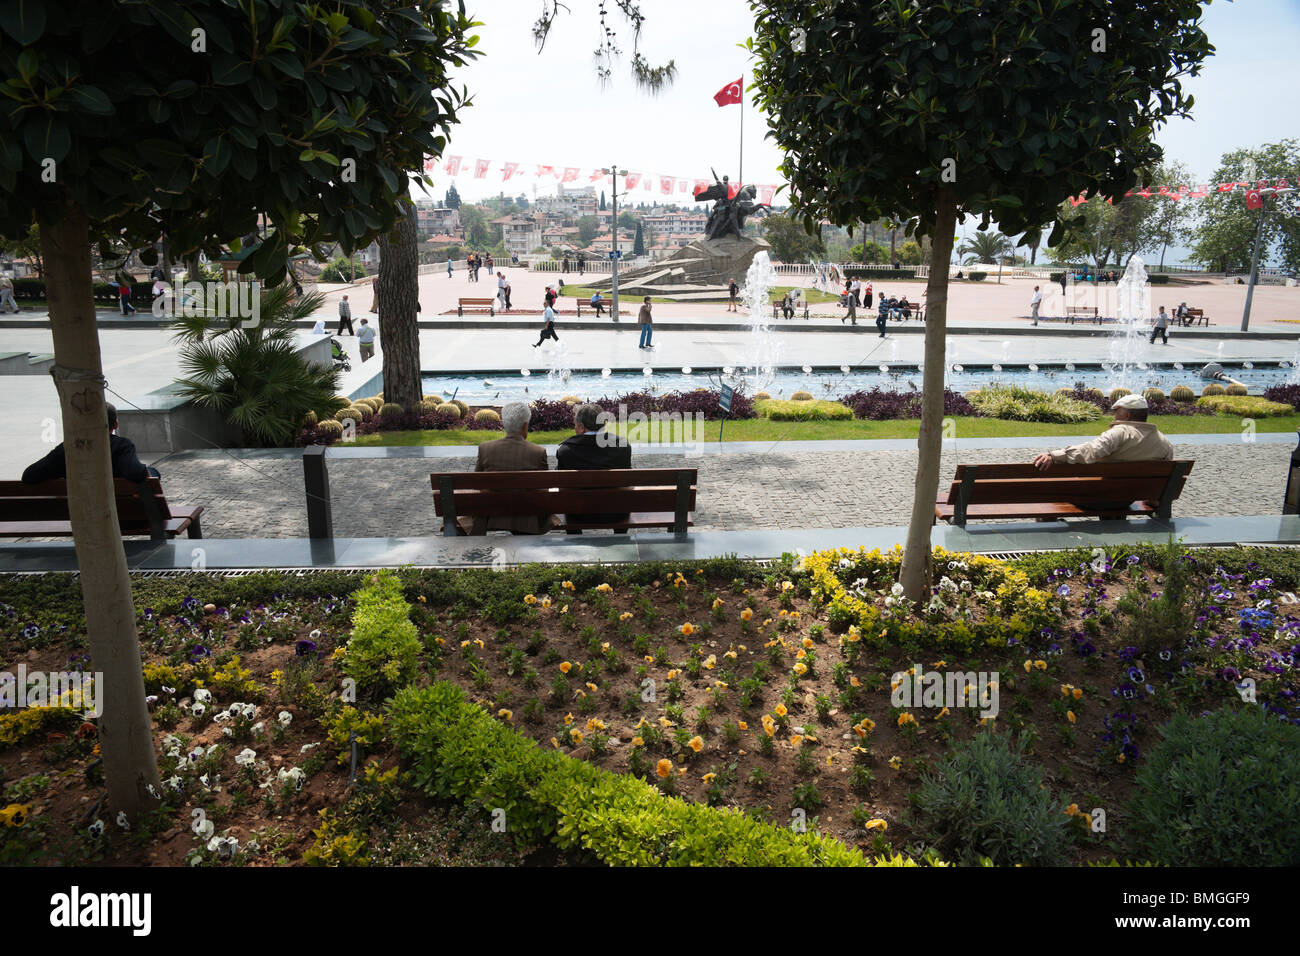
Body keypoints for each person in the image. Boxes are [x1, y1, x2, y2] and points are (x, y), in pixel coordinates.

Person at [23, 403, 158, 484]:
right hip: (124, 517)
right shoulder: (121, 446)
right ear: (115, 424)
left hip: (75, 515)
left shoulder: (68, 447)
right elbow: (135, 473)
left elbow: (29, 476)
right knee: (153, 472)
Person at [1033, 394, 1172, 471]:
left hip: (1101, 496)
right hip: (1130, 497)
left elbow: (1091, 450)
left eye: (1117, 411)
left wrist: (1055, 455)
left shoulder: (1120, 433)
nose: (1115, 415)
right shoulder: (1164, 442)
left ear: (1127, 415)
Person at [473, 402, 553, 535]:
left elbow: (477, 484)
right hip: (528, 519)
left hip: (492, 516)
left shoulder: (485, 449)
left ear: (504, 424)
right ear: (525, 426)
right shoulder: (538, 452)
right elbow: (543, 491)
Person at [555, 402, 633, 532]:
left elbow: (562, 487)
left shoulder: (566, 451)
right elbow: (627, 481)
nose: (574, 428)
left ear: (581, 427)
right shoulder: (622, 446)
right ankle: (620, 535)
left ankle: (575, 539)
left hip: (577, 514)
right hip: (616, 513)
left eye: (575, 425)